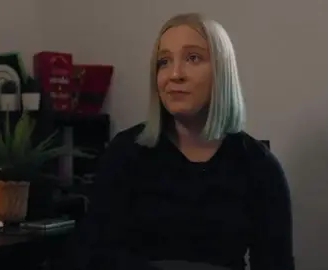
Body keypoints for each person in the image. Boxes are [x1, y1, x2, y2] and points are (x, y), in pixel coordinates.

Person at [72, 13, 294, 270]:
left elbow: (276, 263)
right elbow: (90, 255)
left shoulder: (259, 166)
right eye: (164, 62)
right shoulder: (126, 153)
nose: (175, 74)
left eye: (193, 58)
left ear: (222, 72)